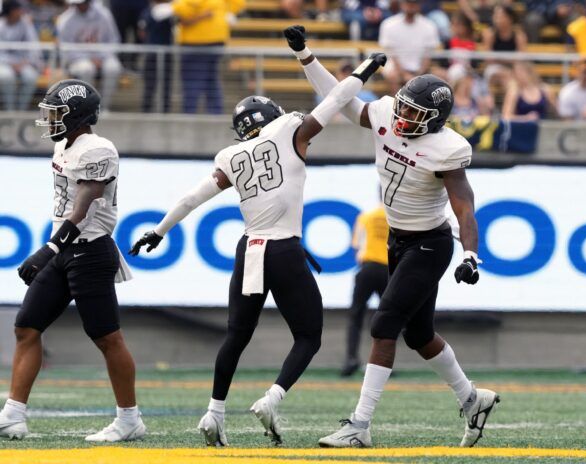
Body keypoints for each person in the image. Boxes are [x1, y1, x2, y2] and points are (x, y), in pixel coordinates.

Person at [129, 53, 386, 447]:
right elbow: (335, 101)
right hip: (282, 248)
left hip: (249, 248)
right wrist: (365, 69)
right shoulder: (289, 130)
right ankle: (272, 397)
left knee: (236, 335)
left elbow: (193, 197)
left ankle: (214, 412)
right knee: (308, 336)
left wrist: (160, 230)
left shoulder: (230, 156)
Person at [285, 25, 499, 449]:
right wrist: (306, 56)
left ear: (435, 120)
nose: (403, 117)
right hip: (398, 241)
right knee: (419, 336)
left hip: (430, 244)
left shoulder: (448, 149)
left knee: (384, 324)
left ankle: (360, 425)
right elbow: (341, 100)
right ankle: (473, 399)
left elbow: (464, 206)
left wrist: (471, 255)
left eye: (415, 114)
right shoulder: (385, 113)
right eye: (402, 107)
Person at [0, 79, 143, 442]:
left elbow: (84, 205)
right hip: (65, 250)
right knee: (27, 326)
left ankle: (129, 419)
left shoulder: (98, 148)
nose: (50, 121)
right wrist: (54, 249)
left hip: (91, 252)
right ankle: (13, 415)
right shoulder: (67, 145)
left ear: (78, 115)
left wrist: (48, 249)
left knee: (107, 338)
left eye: (57, 113)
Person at [151, 0, 245, 114]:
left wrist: (174, 8)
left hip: (197, 42)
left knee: (193, 83)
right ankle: (215, 114)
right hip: (216, 39)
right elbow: (238, 3)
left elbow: (188, 6)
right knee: (211, 81)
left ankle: (190, 115)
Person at [341, 203, 389, 377]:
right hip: (388, 271)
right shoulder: (395, 217)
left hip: (368, 268)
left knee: (356, 316)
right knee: (389, 319)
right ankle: (385, 363)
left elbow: (357, 245)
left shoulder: (366, 216)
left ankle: (351, 359)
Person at [56, 0, 122, 112]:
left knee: (113, 68)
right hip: (77, 59)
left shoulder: (104, 14)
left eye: (81, 3)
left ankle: (103, 106)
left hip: (103, 56)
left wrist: (101, 56)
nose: (79, 6)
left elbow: (114, 40)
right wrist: (87, 58)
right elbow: (65, 48)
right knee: (87, 69)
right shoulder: (65, 19)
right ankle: (87, 108)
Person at [378, 0, 440, 95]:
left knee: (442, 76)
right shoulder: (388, 24)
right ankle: (397, 107)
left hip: (421, 69)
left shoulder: (429, 26)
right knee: (393, 76)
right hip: (395, 67)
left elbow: (427, 56)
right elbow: (392, 55)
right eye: (408, 2)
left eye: (414, 2)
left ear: (419, 4)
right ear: (401, 4)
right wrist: (405, 75)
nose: (411, 5)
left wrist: (418, 75)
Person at [0, 0, 42, 111]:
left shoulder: (26, 23)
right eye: (17, 9)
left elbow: (34, 46)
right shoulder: (1, 24)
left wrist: (27, 61)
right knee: (7, 78)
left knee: (31, 78)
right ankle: (10, 110)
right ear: (10, 11)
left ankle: (21, 110)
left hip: (23, 62)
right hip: (3, 63)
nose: (20, 12)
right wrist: (10, 63)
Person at [139, 0, 174, 113]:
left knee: (166, 84)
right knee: (150, 84)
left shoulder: (170, 11)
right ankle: (146, 109)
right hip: (152, 52)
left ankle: (165, 110)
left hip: (166, 52)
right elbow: (142, 30)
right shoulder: (147, 11)